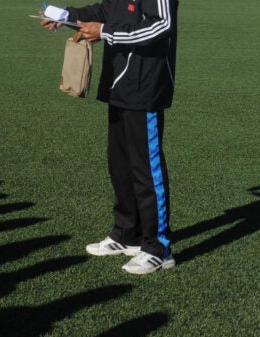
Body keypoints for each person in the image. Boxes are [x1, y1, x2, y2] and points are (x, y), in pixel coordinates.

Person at [41, 0, 180, 274]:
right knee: (120, 165)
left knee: (146, 170)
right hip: (119, 81)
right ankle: (127, 234)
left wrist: (105, 32)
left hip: (145, 86)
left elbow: (162, 25)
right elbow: (106, 11)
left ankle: (158, 248)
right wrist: (67, 16)